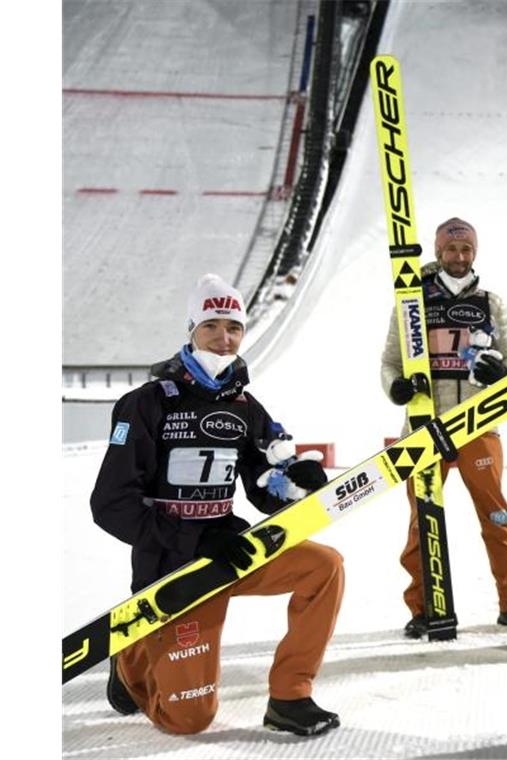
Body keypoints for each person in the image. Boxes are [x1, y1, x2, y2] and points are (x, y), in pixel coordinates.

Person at [90, 274, 344, 737]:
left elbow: (265, 487)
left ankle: (290, 695)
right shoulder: (145, 404)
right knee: (189, 719)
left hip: (228, 554)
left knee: (323, 567)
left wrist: (296, 484)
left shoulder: (245, 406)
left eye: (234, 327)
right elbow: (111, 504)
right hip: (175, 568)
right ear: (191, 329)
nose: (224, 339)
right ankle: (130, 658)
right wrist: (197, 537)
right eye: (212, 325)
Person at [382, 217, 507, 637]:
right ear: (438, 252)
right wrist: (396, 388)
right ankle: (423, 608)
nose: (459, 256)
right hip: (424, 425)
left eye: (466, 249)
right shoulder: (411, 301)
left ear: (475, 252)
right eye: (451, 249)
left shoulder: (492, 302)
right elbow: (390, 361)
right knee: (422, 522)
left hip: (478, 426)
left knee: (497, 515)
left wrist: (498, 373)